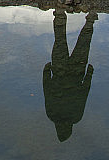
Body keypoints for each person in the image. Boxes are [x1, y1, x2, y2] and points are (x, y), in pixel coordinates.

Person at [43, 10, 97, 142]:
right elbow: (47, 91)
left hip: (71, 72)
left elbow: (83, 94)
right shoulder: (56, 115)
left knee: (78, 44)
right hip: (67, 72)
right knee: (63, 41)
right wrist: (46, 73)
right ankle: (64, 16)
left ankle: (88, 19)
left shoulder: (74, 117)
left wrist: (89, 75)